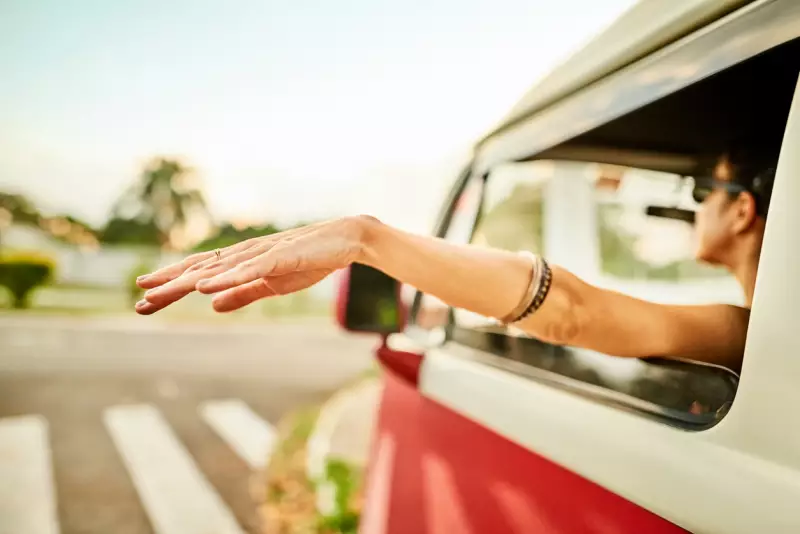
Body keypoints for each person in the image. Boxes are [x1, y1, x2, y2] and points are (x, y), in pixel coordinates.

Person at [134, 151, 777, 373]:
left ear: (742, 211)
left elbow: (575, 313)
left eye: (702, 191)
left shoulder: (752, 334)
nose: (692, 209)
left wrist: (370, 240)